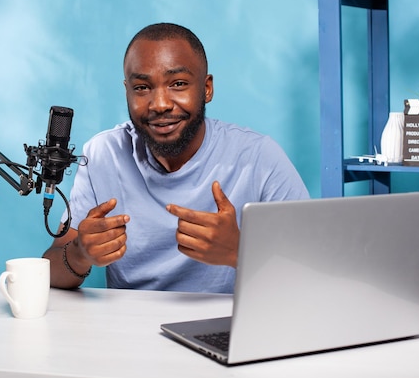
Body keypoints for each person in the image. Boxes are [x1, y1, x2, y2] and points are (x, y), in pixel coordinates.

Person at [43, 23, 309, 293]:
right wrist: (79, 254)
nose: (160, 104)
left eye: (178, 84)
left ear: (206, 88)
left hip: (222, 327)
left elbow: (312, 273)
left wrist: (238, 253)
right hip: (128, 328)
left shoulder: (258, 156)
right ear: (127, 91)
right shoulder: (103, 154)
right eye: (142, 87)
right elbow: (50, 271)